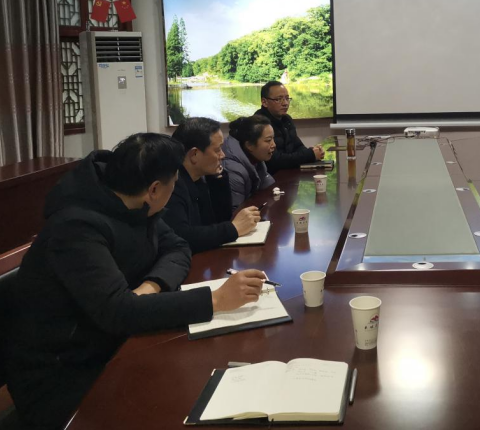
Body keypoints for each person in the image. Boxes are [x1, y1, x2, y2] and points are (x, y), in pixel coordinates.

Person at [4, 133, 268, 430]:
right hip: (62, 372)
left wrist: (151, 286)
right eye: (173, 184)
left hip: (111, 343)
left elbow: (178, 247)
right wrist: (215, 299)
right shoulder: (75, 227)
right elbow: (117, 312)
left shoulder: (136, 202)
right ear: (154, 189)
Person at [164, 117, 261, 253]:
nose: (223, 155)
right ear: (194, 154)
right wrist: (233, 228)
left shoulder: (201, 177)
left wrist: (218, 179)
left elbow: (218, 221)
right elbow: (182, 236)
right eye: (217, 150)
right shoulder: (171, 185)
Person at [254, 81, 324, 174]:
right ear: (264, 102)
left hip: (289, 173)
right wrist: (310, 155)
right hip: (271, 177)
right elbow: (275, 160)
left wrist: (314, 152)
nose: (285, 103)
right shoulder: (259, 124)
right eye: (279, 99)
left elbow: (298, 146)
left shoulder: (287, 119)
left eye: (287, 98)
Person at [223, 115, 277, 210]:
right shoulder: (233, 170)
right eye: (268, 140)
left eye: (273, 139)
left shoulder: (255, 157)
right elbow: (236, 212)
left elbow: (268, 187)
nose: (274, 145)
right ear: (249, 145)